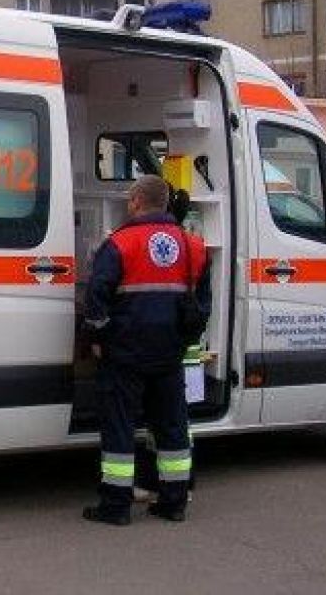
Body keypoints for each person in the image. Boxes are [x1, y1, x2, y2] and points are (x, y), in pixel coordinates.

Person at [82, 174, 211, 526]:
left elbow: (96, 299)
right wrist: (182, 341)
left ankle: (116, 506)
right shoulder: (193, 245)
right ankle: (173, 503)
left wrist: (98, 339)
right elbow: (203, 306)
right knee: (172, 427)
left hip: (124, 353)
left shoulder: (120, 243)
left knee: (120, 428)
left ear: (137, 202)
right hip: (169, 354)